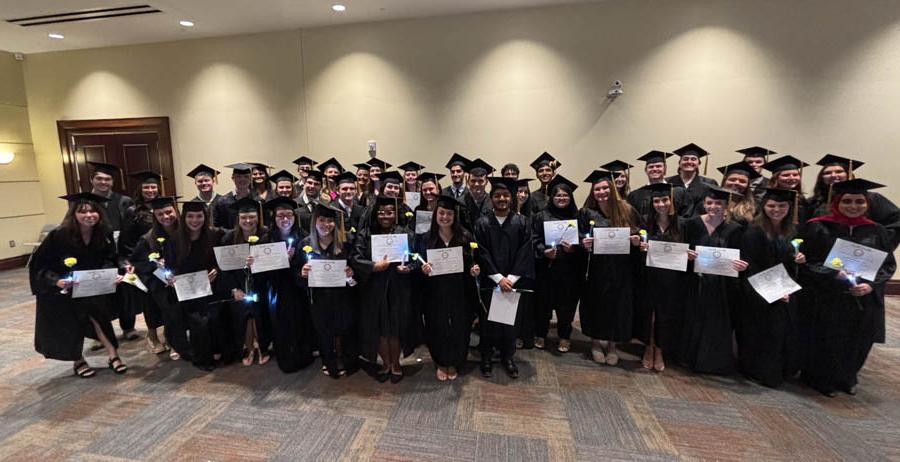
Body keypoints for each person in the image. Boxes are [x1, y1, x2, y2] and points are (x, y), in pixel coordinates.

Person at [800, 179, 896, 397]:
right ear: (837, 202)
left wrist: (870, 286)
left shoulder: (877, 231)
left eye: (859, 201)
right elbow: (807, 261)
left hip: (861, 297)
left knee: (858, 338)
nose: (854, 206)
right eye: (848, 201)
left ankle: (847, 377)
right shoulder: (819, 226)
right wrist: (833, 274)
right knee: (826, 337)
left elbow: (888, 264)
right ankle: (819, 379)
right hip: (827, 295)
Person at [31, 192, 128, 377]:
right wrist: (56, 281)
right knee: (71, 323)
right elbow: (40, 265)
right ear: (73, 214)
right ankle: (78, 360)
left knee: (99, 319)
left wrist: (111, 274)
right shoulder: (59, 236)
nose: (89, 215)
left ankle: (113, 355)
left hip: (92, 286)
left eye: (93, 211)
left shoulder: (103, 233)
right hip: (65, 288)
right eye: (82, 212)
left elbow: (109, 258)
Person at [737, 188, 805, 387]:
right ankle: (759, 371)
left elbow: (790, 262)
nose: (777, 209)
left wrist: (799, 259)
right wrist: (772, 291)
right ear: (764, 207)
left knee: (781, 331)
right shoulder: (754, 231)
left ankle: (780, 369)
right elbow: (751, 265)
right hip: (759, 290)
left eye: (782, 206)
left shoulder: (791, 230)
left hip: (785, 287)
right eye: (771, 205)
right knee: (761, 331)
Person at [680, 186, 748, 374]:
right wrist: (686, 256)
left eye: (719, 203)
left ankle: (710, 362)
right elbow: (681, 250)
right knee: (692, 318)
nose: (714, 206)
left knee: (715, 322)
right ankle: (688, 357)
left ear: (726, 206)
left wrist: (741, 265)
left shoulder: (736, 229)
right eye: (710, 203)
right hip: (694, 282)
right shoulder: (691, 224)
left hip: (721, 286)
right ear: (704, 204)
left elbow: (741, 256)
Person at [351, 196, 419, 383]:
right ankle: (386, 363)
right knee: (380, 327)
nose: (385, 216)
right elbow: (355, 257)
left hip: (398, 287)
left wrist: (409, 268)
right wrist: (373, 266)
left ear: (396, 214)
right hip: (374, 287)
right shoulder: (366, 233)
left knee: (395, 328)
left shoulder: (405, 233)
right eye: (381, 212)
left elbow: (416, 258)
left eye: (389, 212)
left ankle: (396, 363)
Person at [474, 177, 535, 378]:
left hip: (513, 283)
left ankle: (508, 357)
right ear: (491, 198)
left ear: (512, 197)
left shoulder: (522, 222)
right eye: (497, 195)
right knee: (487, 321)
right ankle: (486, 356)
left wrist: (511, 279)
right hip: (491, 282)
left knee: (510, 321)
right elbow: (481, 253)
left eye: (506, 195)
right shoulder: (482, 223)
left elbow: (525, 251)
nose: (502, 198)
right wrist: (499, 278)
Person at [578, 170, 642, 366]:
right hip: (596, 268)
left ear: (613, 189)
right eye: (597, 189)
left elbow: (641, 232)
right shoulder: (587, 213)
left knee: (617, 306)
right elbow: (578, 236)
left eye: (605, 188)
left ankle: (612, 345)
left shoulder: (627, 210)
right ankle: (596, 343)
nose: (602, 192)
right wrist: (584, 242)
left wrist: (637, 240)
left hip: (620, 269)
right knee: (596, 304)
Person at [416, 195, 480, 381]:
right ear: (436, 214)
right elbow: (417, 260)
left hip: (459, 290)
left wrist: (475, 270)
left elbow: (472, 263)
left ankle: (456, 361)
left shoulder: (465, 237)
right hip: (434, 291)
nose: (445, 217)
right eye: (441, 213)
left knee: (460, 327)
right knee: (437, 326)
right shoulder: (426, 238)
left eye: (449, 214)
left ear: (455, 216)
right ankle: (441, 361)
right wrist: (423, 269)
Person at [299, 203, 359, 378]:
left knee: (344, 329)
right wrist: (302, 274)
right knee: (323, 332)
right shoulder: (306, 244)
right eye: (322, 220)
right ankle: (329, 361)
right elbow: (296, 275)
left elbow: (355, 279)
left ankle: (347, 360)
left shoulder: (346, 244)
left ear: (336, 223)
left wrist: (351, 273)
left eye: (330, 221)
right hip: (318, 298)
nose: (326, 224)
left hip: (342, 297)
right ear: (314, 221)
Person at [130, 196, 192, 361]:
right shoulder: (149, 238)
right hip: (163, 282)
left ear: (175, 211)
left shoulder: (186, 231)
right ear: (155, 217)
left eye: (168, 212)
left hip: (185, 278)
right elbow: (137, 261)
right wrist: (154, 265)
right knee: (170, 309)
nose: (165, 217)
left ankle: (188, 340)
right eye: (160, 214)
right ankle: (174, 343)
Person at [636, 183, 687, 372]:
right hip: (649, 276)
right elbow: (637, 249)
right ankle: (648, 348)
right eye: (656, 200)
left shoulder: (683, 224)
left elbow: (690, 249)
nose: (661, 204)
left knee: (666, 315)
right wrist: (639, 248)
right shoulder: (645, 222)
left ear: (672, 201)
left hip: (673, 279)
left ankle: (660, 350)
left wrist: (689, 255)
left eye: (665, 200)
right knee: (649, 314)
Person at [531, 175, 585, 352]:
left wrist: (574, 249)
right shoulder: (541, 216)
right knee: (543, 305)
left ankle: (564, 336)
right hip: (546, 270)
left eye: (565, 195)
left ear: (570, 197)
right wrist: (543, 251)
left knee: (566, 307)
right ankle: (540, 334)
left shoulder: (577, 217)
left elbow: (584, 241)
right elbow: (533, 240)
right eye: (557, 195)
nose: (561, 198)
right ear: (552, 198)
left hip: (570, 271)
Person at [169, 200, 224, 370]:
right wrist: (171, 277)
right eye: (190, 216)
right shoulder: (174, 240)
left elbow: (219, 260)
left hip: (210, 287)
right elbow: (169, 266)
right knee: (198, 322)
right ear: (184, 218)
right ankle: (201, 358)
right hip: (186, 291)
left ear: (205, 217)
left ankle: (216, 350)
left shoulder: (214, 235)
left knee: (214, 317)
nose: (195, 220)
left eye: (199, 216)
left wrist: (216, 270)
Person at [218, 197, 272, 366]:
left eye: (252, 217)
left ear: (258, 217)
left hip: (262, 285)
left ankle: (262, 347)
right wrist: (234, 289)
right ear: (238, 219)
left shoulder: (267, 235)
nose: (248, 221)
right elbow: (224, 268)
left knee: (259, 313)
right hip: (238, 286)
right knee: (244, 313)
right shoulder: (229, 238)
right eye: (243, 218)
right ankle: (248, 348)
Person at [265, 197, 316, 373]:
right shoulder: (267, 239)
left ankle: (304, 355)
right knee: (282, 325)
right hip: (278, 290)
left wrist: (295, 264)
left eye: (289, 215)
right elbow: (265, 270)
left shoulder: (304, 238)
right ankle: (286, 359)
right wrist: (281, 260)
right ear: (274, 218)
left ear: (295, 217)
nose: (285, 219)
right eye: (280, 216)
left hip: (298, 289)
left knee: (301, 322)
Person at [809, 154, 900, 249]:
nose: (833, 175)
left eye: (839, 171)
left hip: (863, 254)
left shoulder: (872, 198)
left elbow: (896, 221)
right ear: (821, 178)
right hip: (823, 255)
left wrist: (880, 245)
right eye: (827, 173)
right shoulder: (814, 202)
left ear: (848, 174)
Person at [116, 171, 164, 345]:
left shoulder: (163, 207)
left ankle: (166, 333)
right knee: (149, 300)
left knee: (165, 298)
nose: (150, 190)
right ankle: (152, 335)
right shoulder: (132, 210)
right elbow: (126, 240)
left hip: (163, 260)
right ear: (140, 188)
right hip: (143, 262)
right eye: (146, 187)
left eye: (153, 186)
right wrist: (131, 262)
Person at [627, 151, 691, 219]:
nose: (654, 169)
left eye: (658, 166)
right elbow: (632, 219)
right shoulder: (636, 195)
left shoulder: (679, 192)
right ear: (646, 170)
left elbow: (686, 216)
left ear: (665, 169)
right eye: (651, 167)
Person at [666, 143, 718, 217]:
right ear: (679, 163)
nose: (689, 162)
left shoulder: (709, 183)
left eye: (693, 159)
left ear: (698, 163)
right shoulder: (668, 182)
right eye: (685, 159)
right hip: (673, 224)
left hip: (699, 225)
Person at [86, 161, 134, 232]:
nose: (103, 182)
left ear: (112, 181)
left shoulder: (125, 201)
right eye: (99, 179)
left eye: (107, 179)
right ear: (91, 180)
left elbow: (132, 227)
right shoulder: (82, 201)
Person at [762, 155, 811, 224]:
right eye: (786, 175)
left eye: (795, 175)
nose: (791, 178)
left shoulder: (801, 198)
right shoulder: (768, 198)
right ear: (776, 178)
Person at [214, 163, 254, 229]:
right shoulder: (222, 201)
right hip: (229, 238)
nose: (242, 179)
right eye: (239, 176)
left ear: (251, 178)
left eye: (246, 176)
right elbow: (217, 226)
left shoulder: (257, 200)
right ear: (233, 178)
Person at [460, 158, 495, 232]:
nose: (476, 184)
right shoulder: (460, 203)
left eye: (481, 181)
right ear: (468, 181)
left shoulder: (493, 202)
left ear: (486, 182)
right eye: (473, 181)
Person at [332, 172, 366, 241]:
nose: (348, 191)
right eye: (344, 189)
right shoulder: (331, 209)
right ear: (337, 191)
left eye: (352, 188)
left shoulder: (361, 210)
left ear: (356, 191)